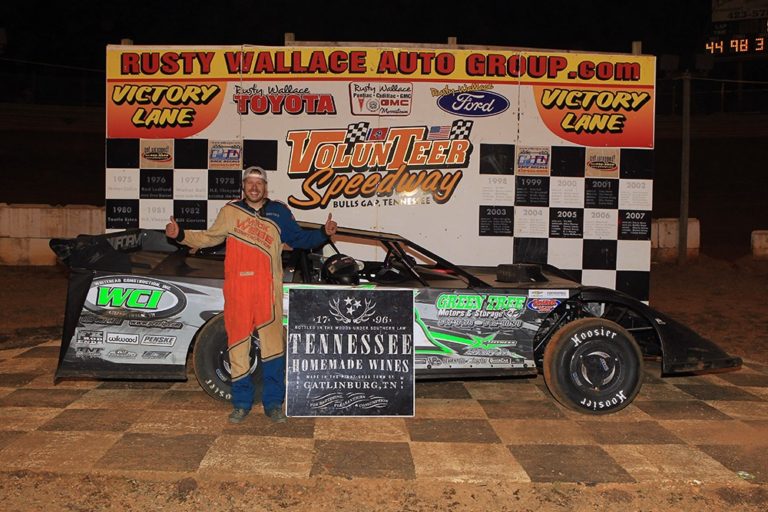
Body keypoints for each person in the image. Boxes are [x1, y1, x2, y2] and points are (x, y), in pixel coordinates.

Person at [165, 166, 337, 423]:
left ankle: (273, 404)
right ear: (243, 186)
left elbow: (300, 238)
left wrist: (324, 233)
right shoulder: (230, 211)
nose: (254, 187)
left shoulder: (279, 211)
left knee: (273, 347)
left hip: (268, 292)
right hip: (238, 291)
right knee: (237, 347)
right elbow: (209, 238)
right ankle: (241, 403)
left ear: (265, 187)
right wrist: (180, 235)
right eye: (250, 183)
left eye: (259, 183)